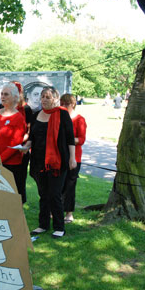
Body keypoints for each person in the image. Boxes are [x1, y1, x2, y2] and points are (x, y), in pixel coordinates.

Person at [19, 86, 76, 239]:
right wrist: (25, 147)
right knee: (43, 194)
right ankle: (43, 225)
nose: (44, 99)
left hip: (57, 162)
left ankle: (59, 227)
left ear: (55, 99)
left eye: (48, 97)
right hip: (38, 162)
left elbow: (70, 138)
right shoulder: (36, 114)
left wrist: (72, 158)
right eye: (42, 96)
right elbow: (32, 138)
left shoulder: (62, 114)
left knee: (55, 194)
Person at [0, 83, 27, 201]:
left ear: (15, 98)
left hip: (10, 164)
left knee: (9, 198)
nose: (2, 96)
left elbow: (15, 144)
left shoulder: (18, 118)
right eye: (1, 94)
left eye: (6, 94)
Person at [60, 94, 86, 223]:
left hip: (74, 157)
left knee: (70, 185)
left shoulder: (79, 119)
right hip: (60, 156)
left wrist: (66, 139)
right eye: (62, 103)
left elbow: (81, 139)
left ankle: (69, 213)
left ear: (73, 104)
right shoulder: (59, 118)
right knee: (58, 186)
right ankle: (56, 211)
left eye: (66, 104)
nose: (63, 106)